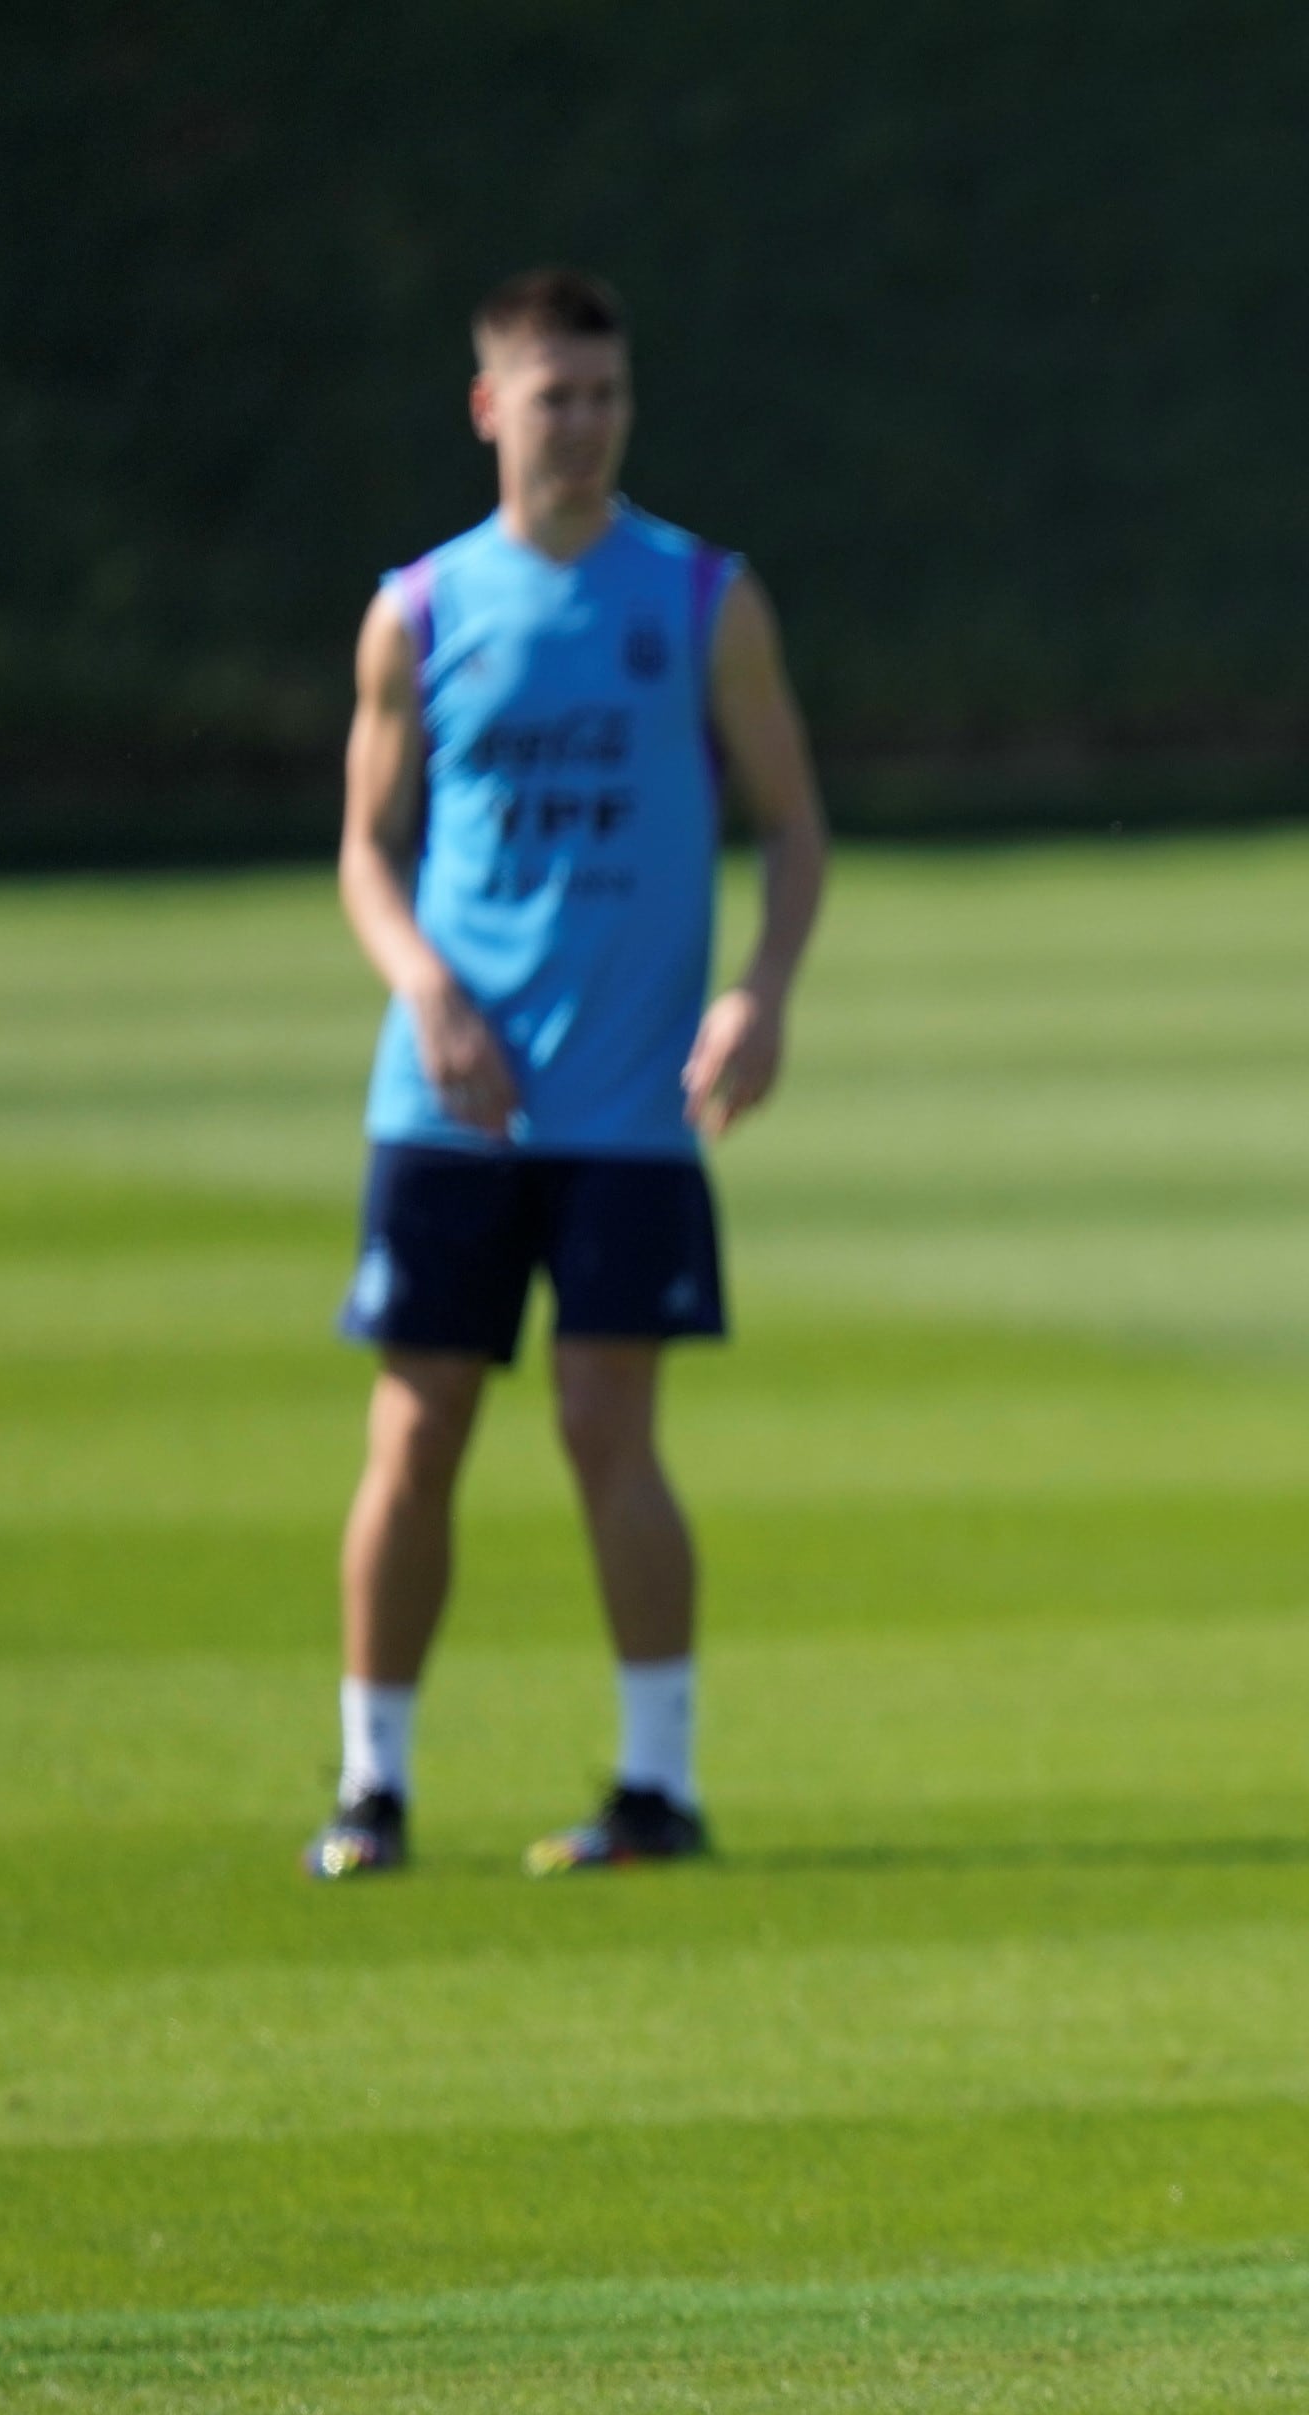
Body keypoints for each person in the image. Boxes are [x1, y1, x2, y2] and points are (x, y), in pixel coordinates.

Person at [309, 269, 828, 1881]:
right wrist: (424, 993)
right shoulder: (422, 613)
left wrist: (760, 993)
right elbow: (366, 851)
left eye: (607, 394)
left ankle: (655, 1788)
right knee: (420, 1428)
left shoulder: (698, 600)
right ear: (491, 408)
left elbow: (794, 824)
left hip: (630, 1106)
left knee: (613, 1423)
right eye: (556, 396)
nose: (585, 424)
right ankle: (372, 1787)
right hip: (452, 1099)